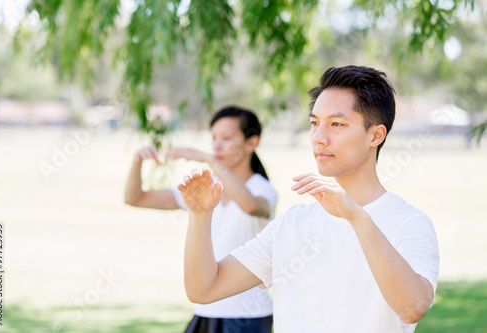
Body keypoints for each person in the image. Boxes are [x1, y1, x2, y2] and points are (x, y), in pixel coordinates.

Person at [178, 66, 440, 333]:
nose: (319, 138)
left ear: (376, 135)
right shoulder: (292, 224)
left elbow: (412, 308)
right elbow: (204, 289)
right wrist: (200, 215)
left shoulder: (409, 223)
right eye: (315, 123)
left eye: (337, 124)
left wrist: (357, 218)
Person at [124, 106, 277, 333]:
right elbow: (137, 198)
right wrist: (137, 162)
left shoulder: (261, 188)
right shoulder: (204, 189)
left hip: (248, 315)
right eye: (214, 137)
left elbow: (250, 205)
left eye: (226, 138)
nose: (217, 145)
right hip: (205, 309)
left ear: (251, 143)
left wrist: (211, 161)